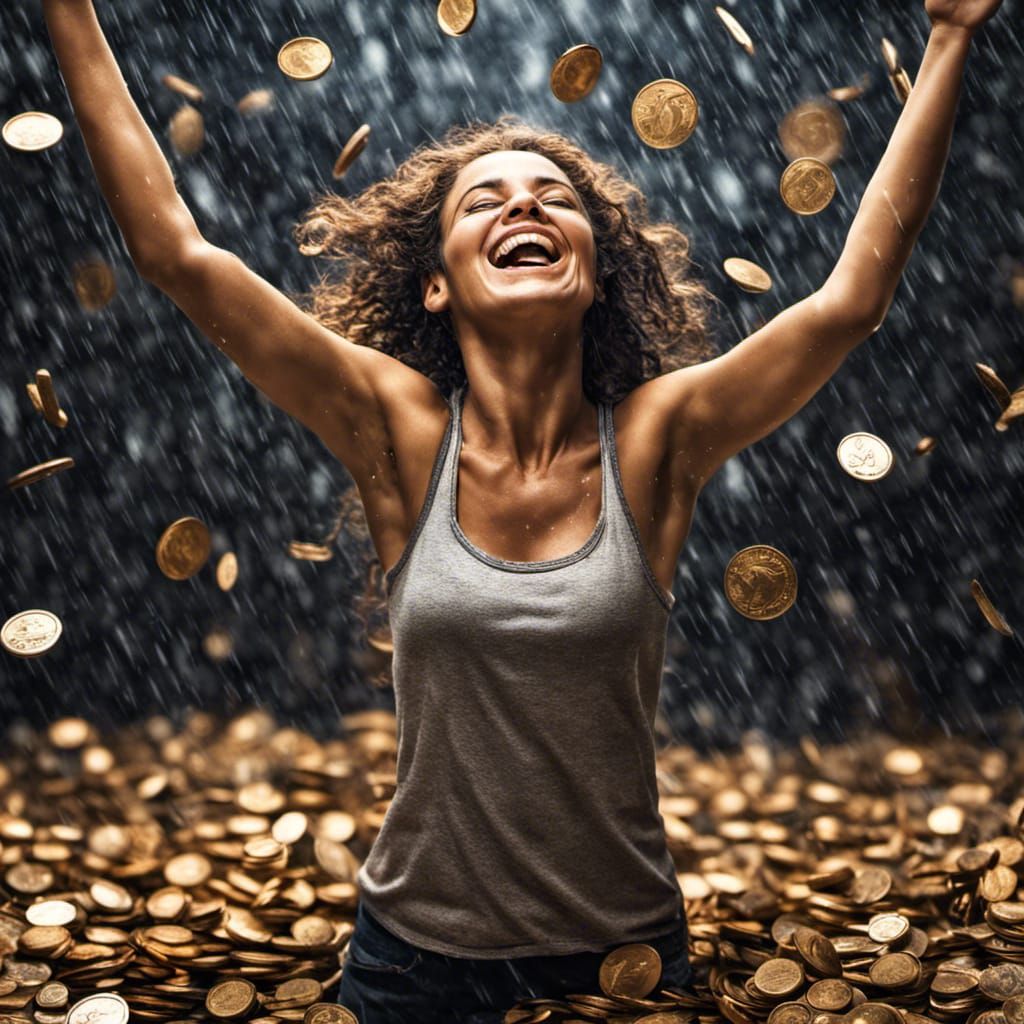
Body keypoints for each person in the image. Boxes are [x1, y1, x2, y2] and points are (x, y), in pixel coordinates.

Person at [40, 0, 1003, 1019]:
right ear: (435, 289)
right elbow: (177, 256)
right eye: (481, 203)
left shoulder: (654, 438)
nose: (524, 209)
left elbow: (849, 300)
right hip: (414, 970)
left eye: (554, 198)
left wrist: (947, 37)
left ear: (597, 275)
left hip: (621, 964)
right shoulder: (400, 432)